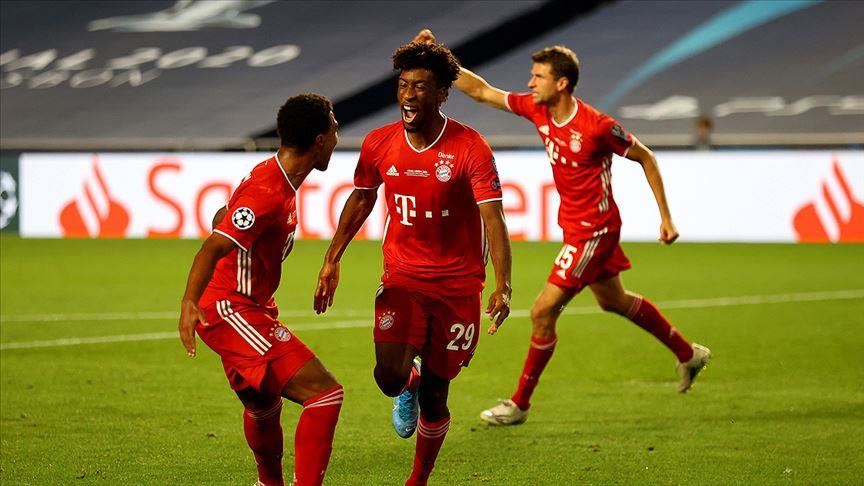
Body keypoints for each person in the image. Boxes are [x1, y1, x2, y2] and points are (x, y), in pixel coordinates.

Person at [413, 29, 711, 426]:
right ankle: (689, 355)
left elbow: (646, 157)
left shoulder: (597, 126)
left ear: (562, 83)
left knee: (542, 312)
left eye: (538, 76)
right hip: (576, 228)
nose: (530, 83)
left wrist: (666, 217)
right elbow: (482, 91)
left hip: (595, 231)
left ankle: (519, 404)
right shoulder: (538, 110)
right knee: (615, 301)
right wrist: (437, 57)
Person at [313, 41, 512, 485]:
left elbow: (494, 220)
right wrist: (332, 259)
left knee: (438, 396)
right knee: (388, 376)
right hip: (402, 278)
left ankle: (417, 480)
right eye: (403, 85)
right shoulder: (379, 142)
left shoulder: (470, 147)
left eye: (420, 87)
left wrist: (503, 284)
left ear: (442, 93)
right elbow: (362, 198)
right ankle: (407, 384)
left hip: (458, 287)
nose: (408, 95)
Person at [178, 93, 343, 486]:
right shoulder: (270, 191)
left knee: (262, 403)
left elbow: (226, 217)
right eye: (335, 128)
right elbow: (213, 245)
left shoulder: (276, 177)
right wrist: (189, 302)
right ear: (320, 140)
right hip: (230, 308)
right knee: (324, 394)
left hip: (252, 305)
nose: (338, 135)